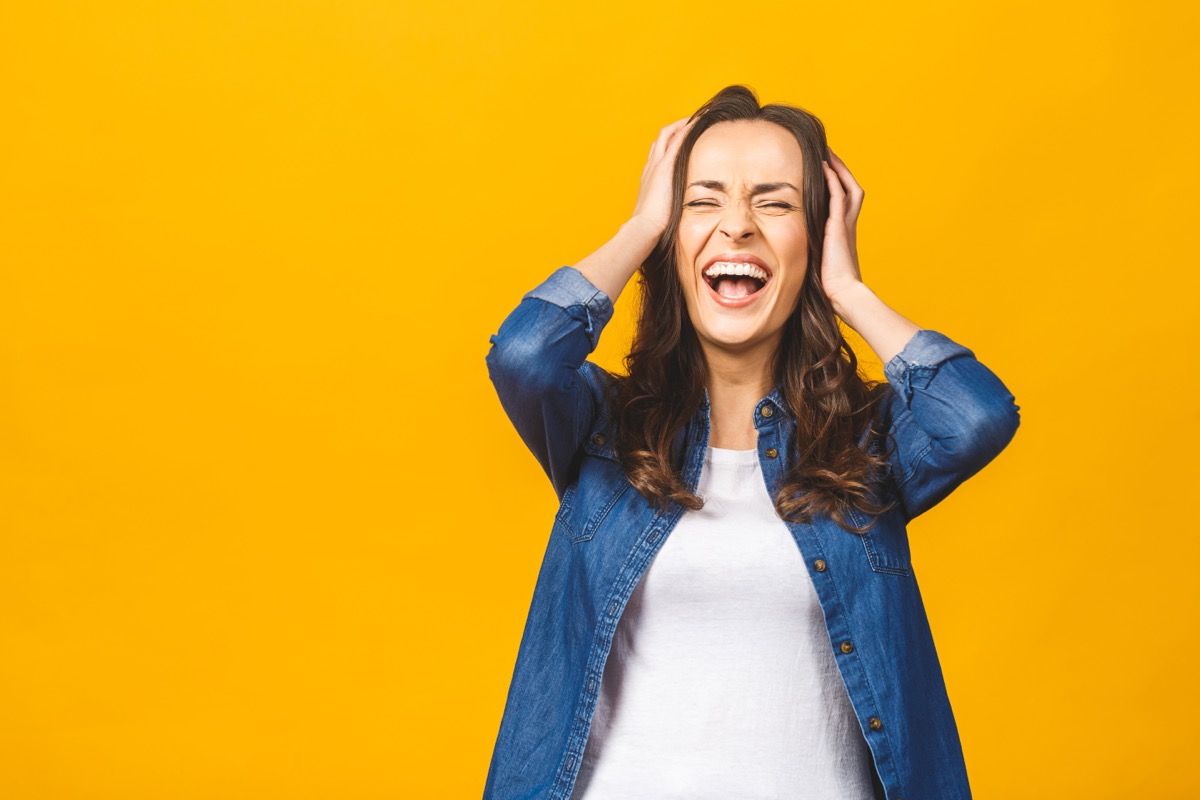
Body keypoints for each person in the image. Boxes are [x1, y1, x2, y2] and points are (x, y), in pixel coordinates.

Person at [482, 85, 1020, 800]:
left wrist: (848, 289)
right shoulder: (606, 430)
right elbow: (524, 355)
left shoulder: (868, 444)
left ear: (817, 234)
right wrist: (643, 224)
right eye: (703, 201)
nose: (736, 226)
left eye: (775, 202)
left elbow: (978, 417)